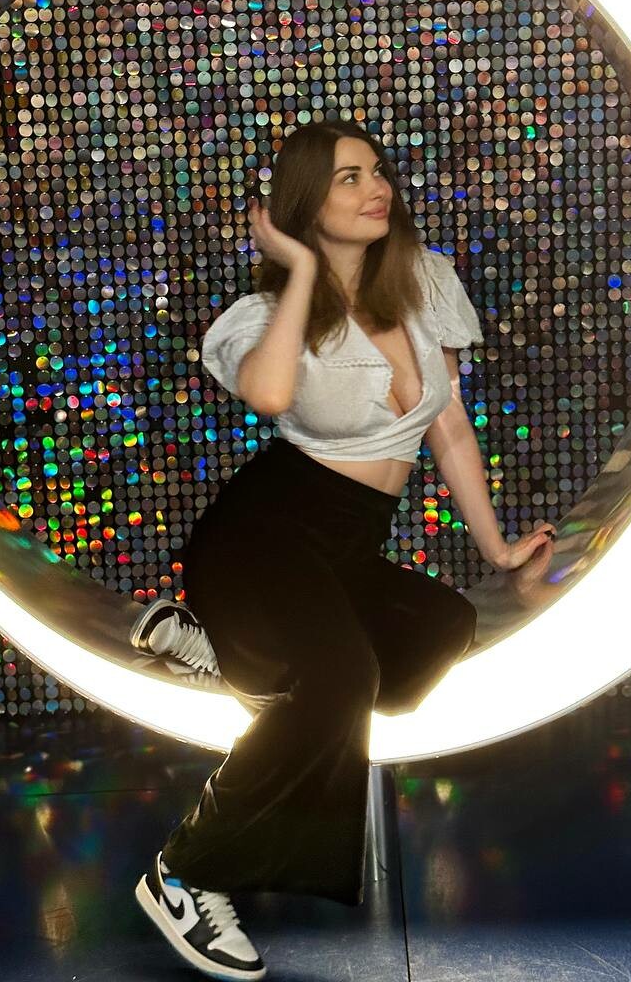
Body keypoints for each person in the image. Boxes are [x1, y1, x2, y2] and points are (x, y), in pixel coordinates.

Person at [132, 120, 557, 980]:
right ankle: (186, 872)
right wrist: (299, 272)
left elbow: (449, 432)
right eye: (347, 179)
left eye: (376, 171)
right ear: (303, 206)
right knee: (341, 680)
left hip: (345, 548)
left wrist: (499, 547)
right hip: (263, 537)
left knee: (441, 627)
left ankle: (233, 662)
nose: (376, 188)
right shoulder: (270, 315)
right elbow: (269, 394)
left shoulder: (421, 284)